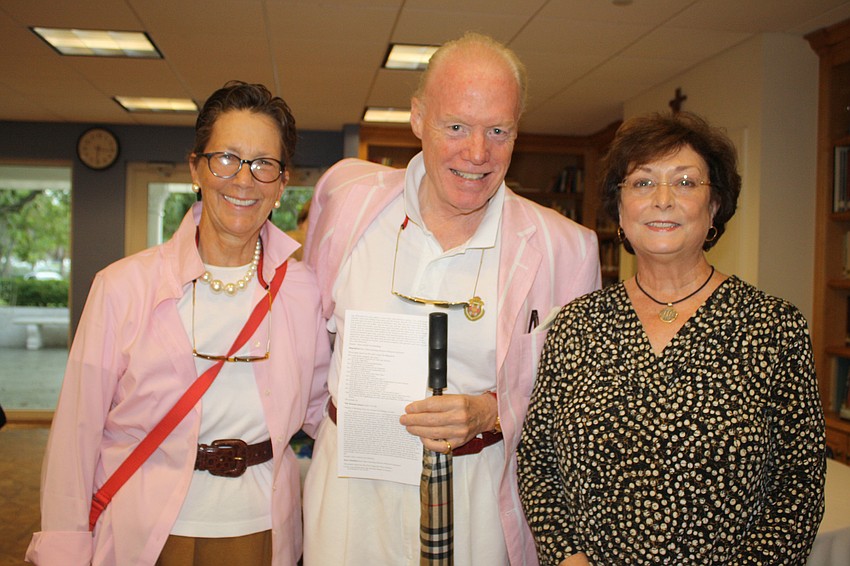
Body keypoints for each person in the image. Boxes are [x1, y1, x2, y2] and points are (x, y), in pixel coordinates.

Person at [301, 32, 601, 565]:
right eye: (456, 126)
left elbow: (575, 405)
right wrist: (337, 420)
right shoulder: (348, 204)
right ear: (418, 117)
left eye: (498, 131)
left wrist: (491, 412)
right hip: (350, 492)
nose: (477, 153)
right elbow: (308, 341)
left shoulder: (566, 248)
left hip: (479, 496)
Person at [25, 81, 329, 566]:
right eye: (226, 158)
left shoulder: (303, 290)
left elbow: (322, 409)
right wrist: (64, 547)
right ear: (196, 168)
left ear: (281, 182)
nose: (244, 180)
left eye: (263, 164)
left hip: (260, 527)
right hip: (144, 527)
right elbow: (75, 434)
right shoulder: (123, 287)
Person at [517, 111, 826, 565]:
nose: (663, 200)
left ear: (714, 206)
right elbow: (537, 460)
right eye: (642, 182)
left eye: (685, 182)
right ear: (620, 208)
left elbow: (798, 486)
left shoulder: (773, 327)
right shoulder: (575, 326)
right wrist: (568, 558)